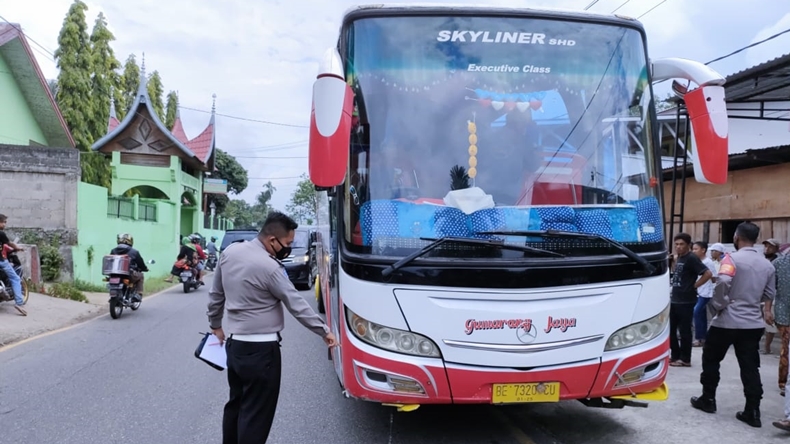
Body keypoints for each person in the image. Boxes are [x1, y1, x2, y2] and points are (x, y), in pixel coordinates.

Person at [207, 211, 338, 443]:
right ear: (272, 240)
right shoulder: (270, 267)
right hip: (262, 352)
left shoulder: (230, 253)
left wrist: (215, 324)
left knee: (236, 405)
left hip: (235, 346)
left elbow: (216, 293)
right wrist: (324, 330)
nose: (288, 248)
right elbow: (296, 303)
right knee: (256, 414)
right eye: (287, 243)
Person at [691, 222, 776, 428]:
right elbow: (769, 294)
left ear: (736, 237)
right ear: (756, 239)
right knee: (750, 366)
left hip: (727, 321)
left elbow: (723, 281)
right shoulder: (767, 265)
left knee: (711, 359)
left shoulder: (731, 258)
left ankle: (708, 399)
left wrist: (719, 305)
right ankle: (753, 410)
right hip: (752, 323)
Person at [670, 233, 713, 367]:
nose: (678, 247)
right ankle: (675, 356)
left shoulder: (691, 258)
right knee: (671, 330)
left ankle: (685, 358)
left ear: (689, 245)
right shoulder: (680, 258)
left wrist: (694, 286)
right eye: (676, 244)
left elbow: (707, 274)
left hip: (686, 300)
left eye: (682, 244)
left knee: (685, 331)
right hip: (675, 298)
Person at [692, 241, 718, 348]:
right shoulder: (696, 261)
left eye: (696, 249)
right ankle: (703, 338)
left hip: (705, 292)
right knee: (701, 315)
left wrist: (700, 284)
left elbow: (713, 278)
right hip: (698, 292)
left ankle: (699, 338)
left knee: (696, 312)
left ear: (703, 250)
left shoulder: (708, 262)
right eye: (693, 249)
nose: (693, 251)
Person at [110, 233, 149, 301]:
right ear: (130, 241)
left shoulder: (113, 250)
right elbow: (140, 263)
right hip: (129, 274)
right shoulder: (134, 252)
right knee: (141, 276)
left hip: (114, 274)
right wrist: (144, 268)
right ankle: (139, 294)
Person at [0, 214, 25, 316]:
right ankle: (19, 303)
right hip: (1, 261)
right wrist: (18, 248)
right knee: (15, 278)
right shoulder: (1, 233)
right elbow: (9, 244)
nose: (5, 224)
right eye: (4, 222)